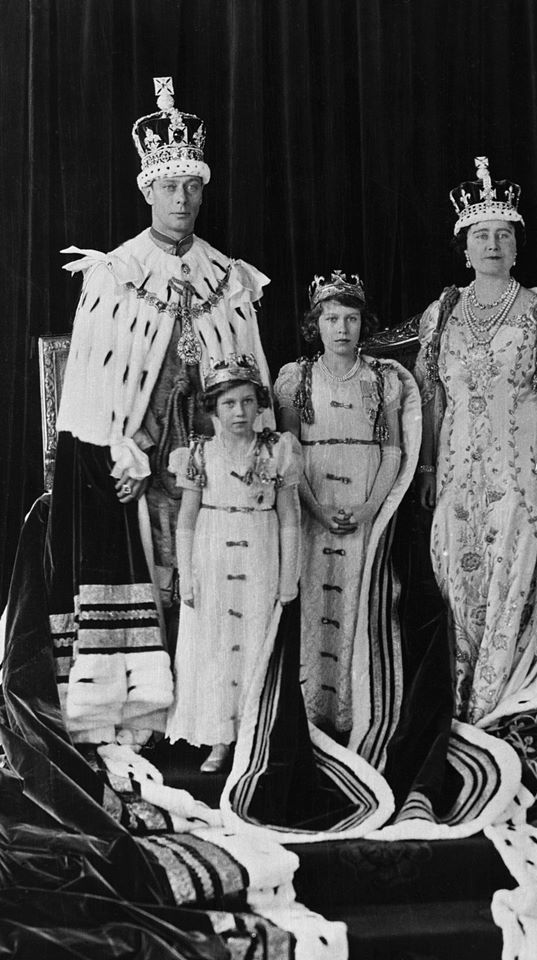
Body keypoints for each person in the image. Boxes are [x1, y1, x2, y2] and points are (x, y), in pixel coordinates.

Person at [47, 77, 272, 748]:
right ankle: (142, 709)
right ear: (147, 189)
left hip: (212, 458)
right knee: (155, 572)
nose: (182, 200)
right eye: (170, 188)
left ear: (203, 191)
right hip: (135, 463)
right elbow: (87, 391)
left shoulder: (226, 276)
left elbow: (250, 380)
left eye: (192, 188)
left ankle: (214, 715)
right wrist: (119, 449)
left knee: (209, 580)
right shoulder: (113, 275)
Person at [413, 156, 537, 727]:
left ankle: (494, 695)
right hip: (454, 471)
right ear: (464, 247)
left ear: (517, 247)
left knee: (510, 565)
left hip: (520, 468)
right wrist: (426, 471)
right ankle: (457, 685)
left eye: (502, 235)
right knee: (452, 563)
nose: (491, 244)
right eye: (480, 235)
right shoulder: (442, 312)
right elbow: (431, 399)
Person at [274, 271, 410, 740]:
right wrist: (313, 507)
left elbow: (392, 449)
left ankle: (356, 712)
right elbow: (289, 450)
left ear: (362, 323)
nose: (342, 329)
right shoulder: (297, 377)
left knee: (359, 600)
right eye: (331, 318)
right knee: (315, 599)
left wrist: (373, 505)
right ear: (317, 324)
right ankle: (313, 710)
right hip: (314, 506)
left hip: (363, 503)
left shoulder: (382, 379)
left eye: (351, 318)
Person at [165, 354, 300, 772]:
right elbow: (186, 522)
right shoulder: (199, 454)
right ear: (213, 409)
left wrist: (288, 577)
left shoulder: (277, 450)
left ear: (259, 405)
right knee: (215, 646)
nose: (239, 412)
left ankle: (253, 734)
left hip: (260, 553)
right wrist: (186, 576)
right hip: (212, 552)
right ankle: (219, 739)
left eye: (246, 402)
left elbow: (289, 518)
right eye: (228, 404)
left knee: (256, 642)